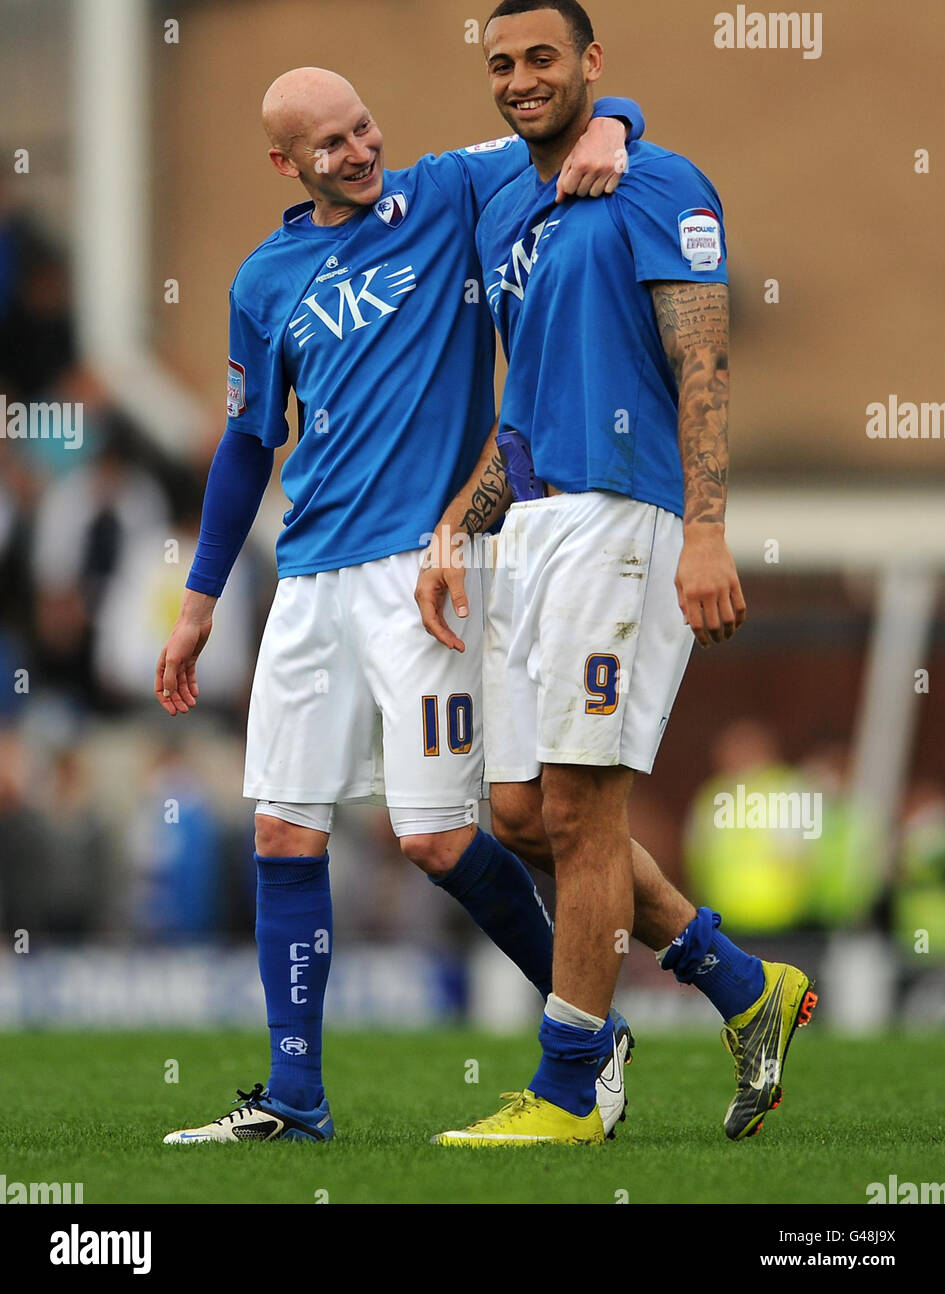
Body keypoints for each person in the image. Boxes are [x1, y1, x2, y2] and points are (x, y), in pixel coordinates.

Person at [155, 65, 642, 1143]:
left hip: (426, 571)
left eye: (364, 125)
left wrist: (615, 119)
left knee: (434, 839)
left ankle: (590, 1030)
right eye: (331, 145)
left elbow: (557, 128)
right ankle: (294, 1098)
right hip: (309, 572)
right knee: (283, 828)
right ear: (287, 164)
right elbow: (247, 447)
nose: (361, 151)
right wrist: (198, 602)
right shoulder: (262, 280)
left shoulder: (449, 191)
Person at [416, 0, 817, 1147]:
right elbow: (524, 402)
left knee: (588, 811)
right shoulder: (506, 202)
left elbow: (704, 363)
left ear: (593, 61)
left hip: (622, 524)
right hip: (531, 526)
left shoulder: (659, 181)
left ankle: (568, 1090)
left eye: (544, 57)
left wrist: (706, 527)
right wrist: (460, 527)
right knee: (517, 811)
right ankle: (745, 984)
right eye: (501, 62)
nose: (520, 77)